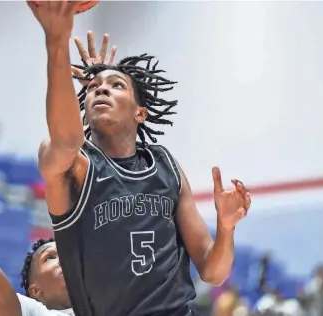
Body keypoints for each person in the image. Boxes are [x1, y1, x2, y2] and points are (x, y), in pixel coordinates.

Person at [28, 1, 251, 316]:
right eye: (92, 88)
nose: (100, 90)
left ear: (140, 112)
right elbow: (66, 138)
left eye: (115, 86)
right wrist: (57, 43)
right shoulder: (74, 168)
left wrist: (226, 227)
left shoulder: (166, 167)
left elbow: (213, 272)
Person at [0, 30, 117, 316]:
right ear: (35, 291)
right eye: (50, 258)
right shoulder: (29, 311)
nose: (64, 259)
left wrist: (93, 95)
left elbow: (101, 179)